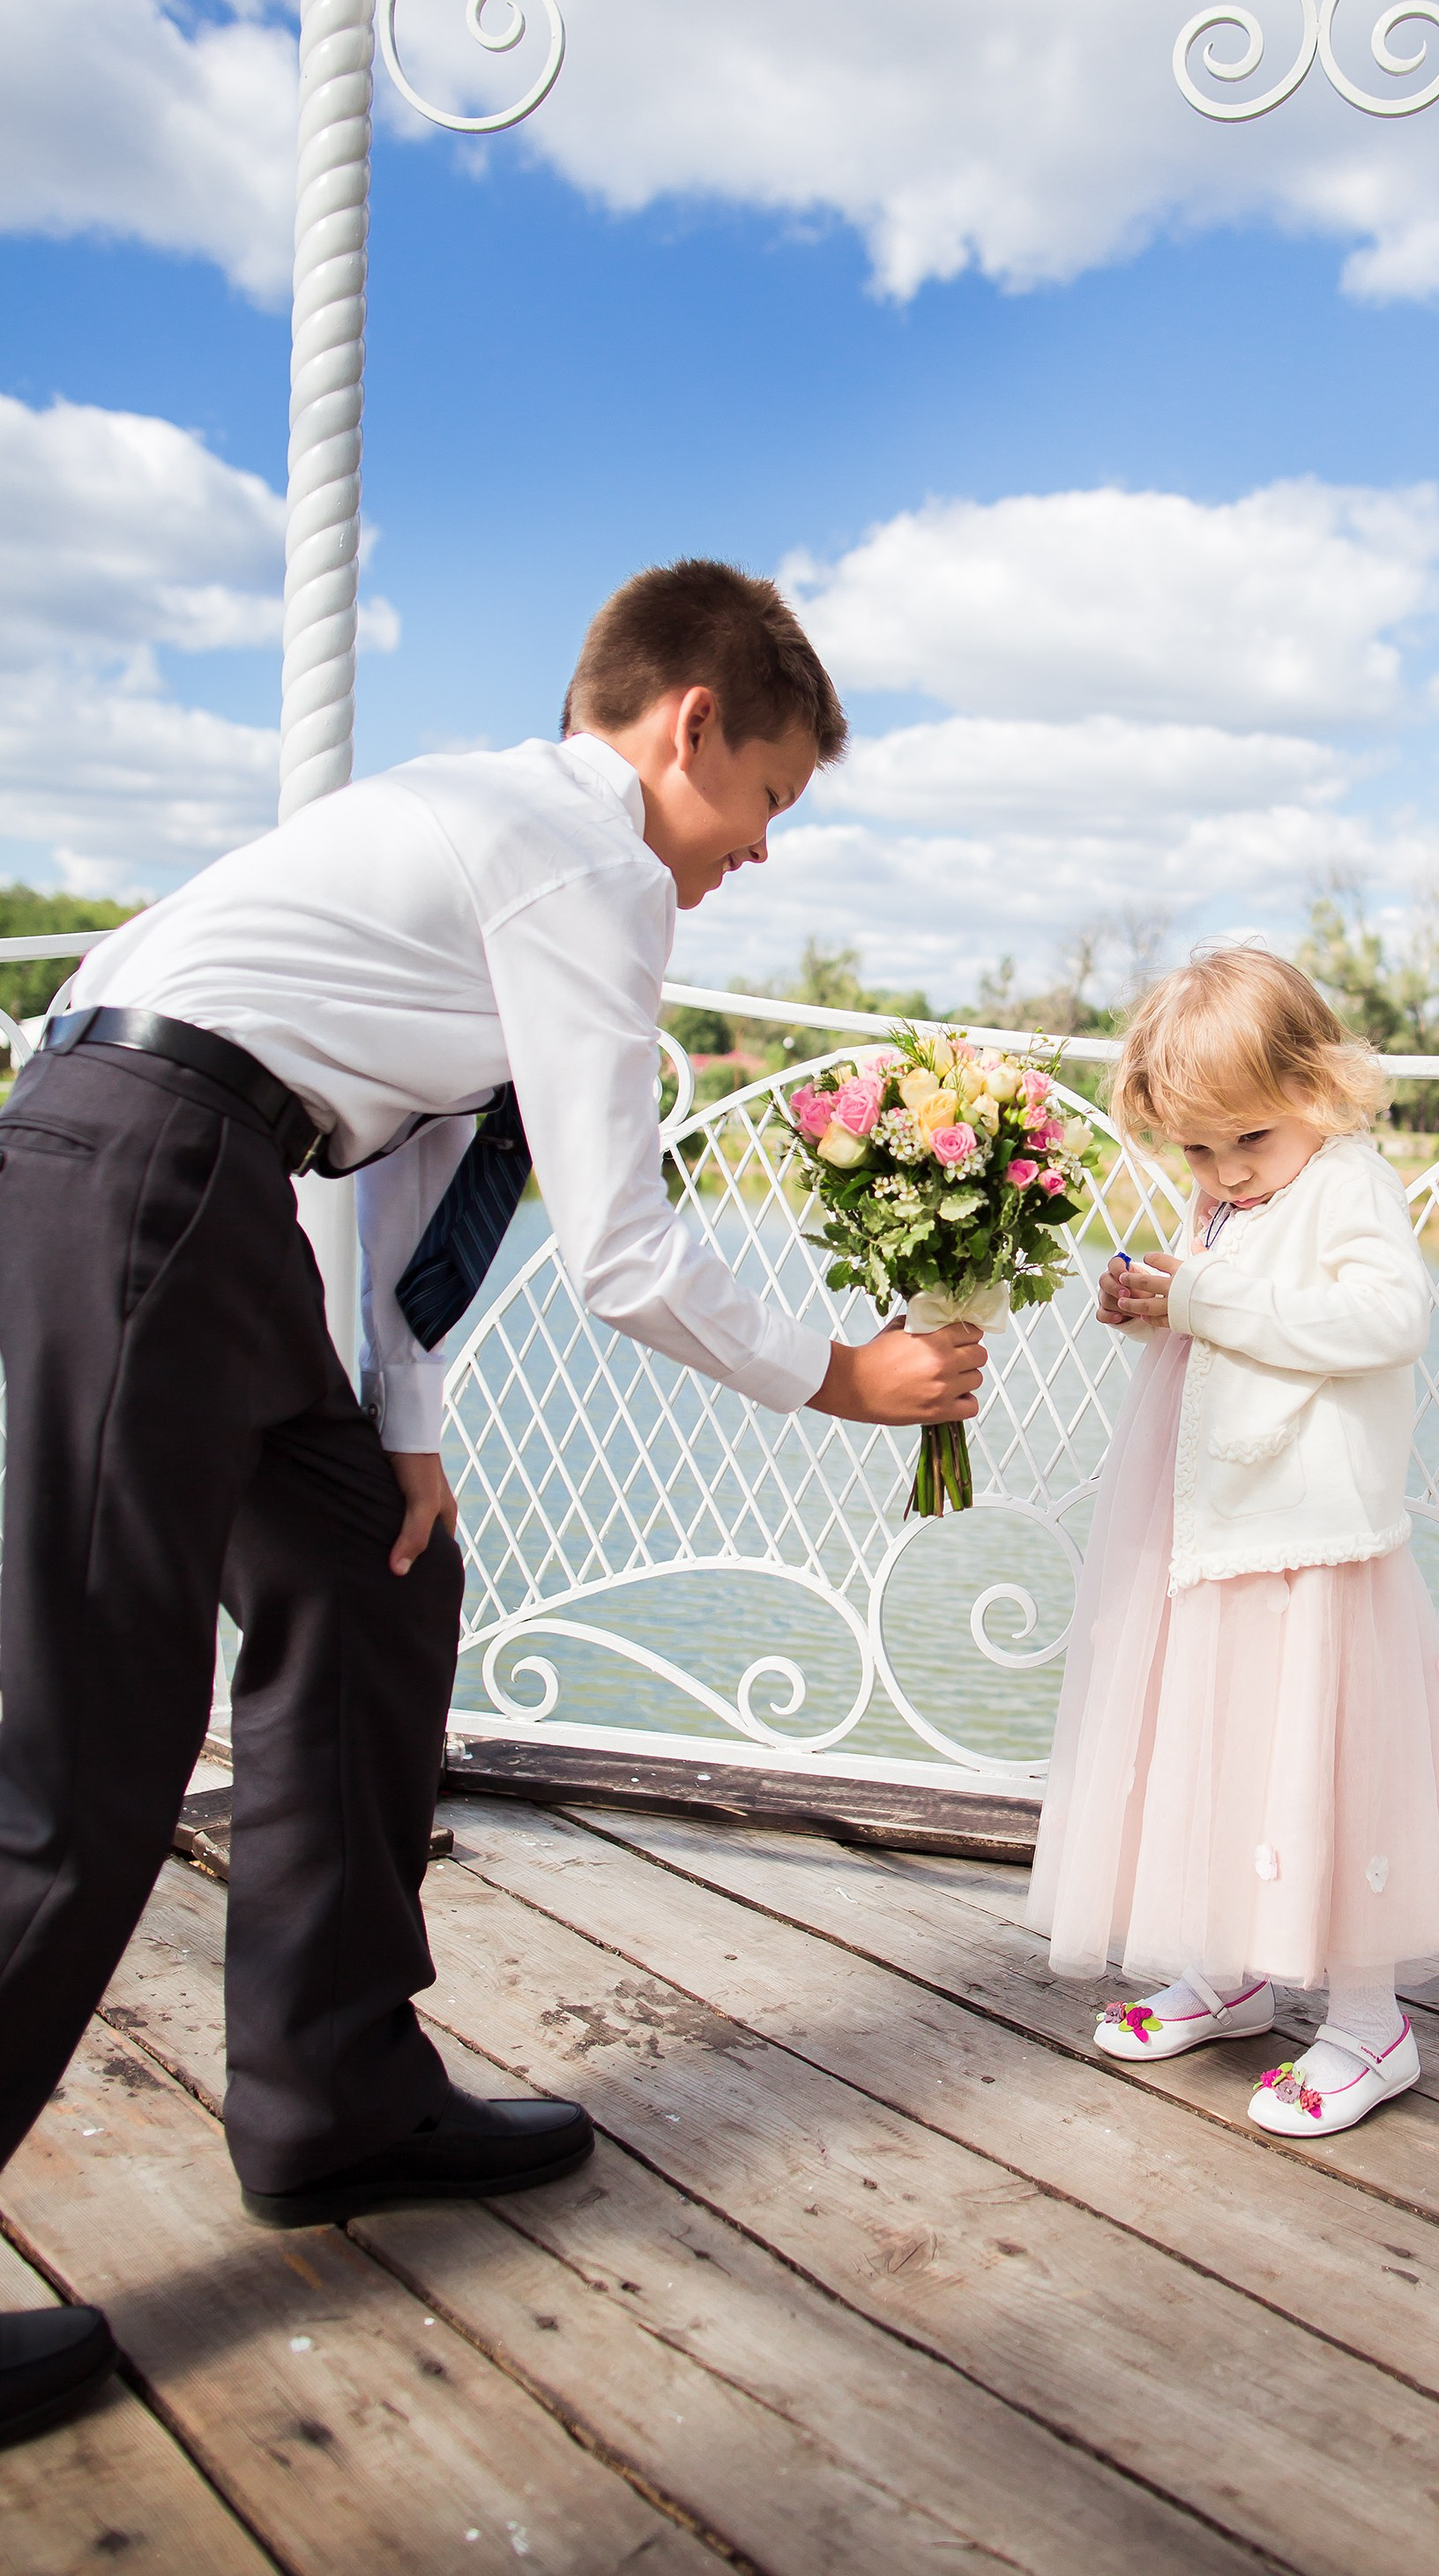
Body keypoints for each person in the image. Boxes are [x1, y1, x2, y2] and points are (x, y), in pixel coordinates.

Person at [0, 557, 984, 2445]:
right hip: (151, 1183)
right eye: (767, 794)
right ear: (689, 724)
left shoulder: (484, 823)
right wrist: (840, 1378)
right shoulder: (593, 864)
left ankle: (332, 2090)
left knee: (372, 1580)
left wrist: (406, 1414)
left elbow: (408, 1155)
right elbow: (620, 1247)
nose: (758, 854)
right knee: (91, 1750)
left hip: (175, 1175)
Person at [1025, 945, 1439, 2137]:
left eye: (1248, 1139)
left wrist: (1198, 1297)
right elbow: (1226, 1319)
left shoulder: (1343, 1179)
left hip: (1308, 1537)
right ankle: (1227, 1967)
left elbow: (1382, 1318)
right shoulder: (1230, 1195)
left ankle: (1367, 2023)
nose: (1227, 1172)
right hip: (1211, 1524)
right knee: (1216, 1742)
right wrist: (1155, 1298)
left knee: (1318, 1761)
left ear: (1315, 1088)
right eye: (1198, 1151)